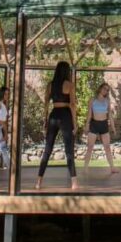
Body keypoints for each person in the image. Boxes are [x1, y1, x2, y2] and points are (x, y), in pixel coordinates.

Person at [35, 60, 78, 190]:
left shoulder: (50, 85)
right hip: (65, 116)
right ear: (67, 71)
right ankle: (74, 183)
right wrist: (75, 124)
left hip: (53, 115)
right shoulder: (69, 85)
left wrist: (45, 120)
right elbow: (72, 105)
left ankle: (38, 182)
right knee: (69, 150)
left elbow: (46, 104)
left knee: (47, 150)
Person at [83, 83, 118, 174]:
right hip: (94, 124)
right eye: (104, 89)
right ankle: (85, 168)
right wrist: (87, 126)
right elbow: (89, 115)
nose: (105, 91)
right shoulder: (92, 100)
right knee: (90, 147)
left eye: (107, 90)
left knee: (107, 147)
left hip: (104, 125)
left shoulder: (107, 101)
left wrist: (113, 127)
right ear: (100, 88)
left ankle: (112, 168)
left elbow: (110, 115)